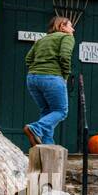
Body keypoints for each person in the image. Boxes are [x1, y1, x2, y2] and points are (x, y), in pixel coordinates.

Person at [23, 16, 75, 147]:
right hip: (52, 77)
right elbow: (65, 56)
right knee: (61, 111)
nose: (73, 29)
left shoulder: (41, 39)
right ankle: (35, 128)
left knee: (47, 110)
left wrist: (38, 69)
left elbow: (28, 59)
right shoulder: (66, 37)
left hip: (32, 79)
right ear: (62, 26)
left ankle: (47, 145)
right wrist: (65, 75)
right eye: (70, 26)